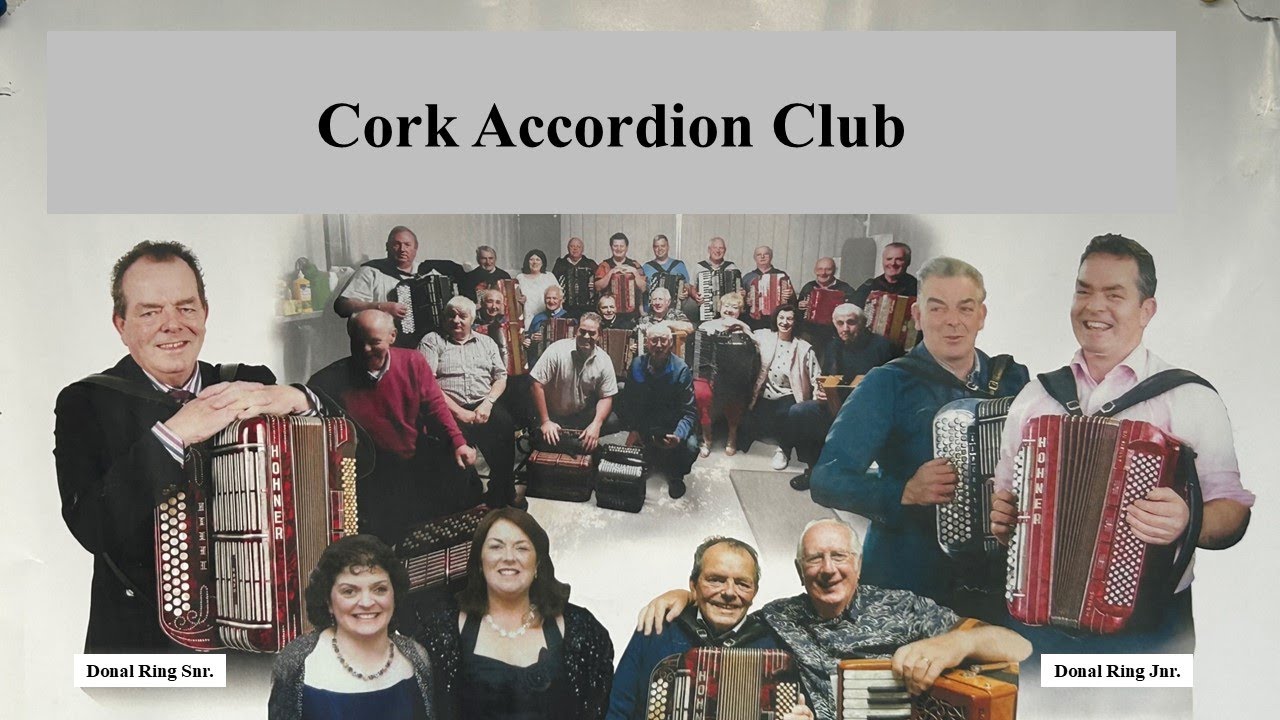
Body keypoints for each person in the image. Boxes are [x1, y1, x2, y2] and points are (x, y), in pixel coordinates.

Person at [989, 234, 1255, 657]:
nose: (1095, 307)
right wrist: (1004, 520)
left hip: (1151, 629)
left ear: (1146, 310)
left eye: (1114, 294)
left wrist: (1189, 522)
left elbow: (1234, 514)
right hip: (1038, 626)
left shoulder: (1188, 396)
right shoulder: (1035, 397)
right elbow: (1005, 503)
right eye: (1084, 290)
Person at [54, 240, 323, 653]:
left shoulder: (248, 380)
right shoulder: (84, 402)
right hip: (147, 648)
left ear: (205, 313)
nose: (172, 324)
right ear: (120, 325)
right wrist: (175, 435)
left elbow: (363, 459)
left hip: (263, 637)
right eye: (149, 312)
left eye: (185, 307)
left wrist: (302, 400)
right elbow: (90, 527)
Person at [809, 258, 1029, 622]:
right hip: (908, 578)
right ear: (917, 314)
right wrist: (903, 491)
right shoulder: (887, 383)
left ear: (982, 315)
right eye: (937, 307)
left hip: (995, 581)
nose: (952, 320)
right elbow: (826, 480)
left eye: (965, 308)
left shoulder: (1011, 379)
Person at [636, 520, 1031, 720]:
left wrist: (953, 643)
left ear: (858, 565)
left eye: (839, 557)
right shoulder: (776, 618)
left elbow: (1018, 646)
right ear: (799, 569)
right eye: (815, 559)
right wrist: (685, 596)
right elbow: (726, 607)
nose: (828, 570)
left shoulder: (906, 608)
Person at [415, 508, 614, 720]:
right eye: (496, 547)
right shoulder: (442, 632)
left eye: (522, 548)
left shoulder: (582, 630)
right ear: (480, 562)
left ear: (538, 563)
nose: (509, 557)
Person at [309, 310, 478, 543]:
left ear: (392, 336)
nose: (366, 349)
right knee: (388, 532)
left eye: (374, 342)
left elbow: (436, 406)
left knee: (465, 483)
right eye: (358, 342)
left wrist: (458, 443)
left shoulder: (413, 361)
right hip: (371, 472)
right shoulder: (328, 380)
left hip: (412, 456)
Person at [607, 537, 784, 720]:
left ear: (754, 592)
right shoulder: (657, 629)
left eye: (742, 584)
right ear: (693, 585)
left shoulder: (774, 650)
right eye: (716, 580)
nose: (729, 592)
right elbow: (617, 709)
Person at [269, 535, 436, 720]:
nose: (366, 602)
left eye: (379, 589)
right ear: (328, 601)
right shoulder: (297, 662)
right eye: (349, 591)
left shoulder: (417, 657)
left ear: (394, 595)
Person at [783, 304, 895, 493]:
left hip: (871, 411)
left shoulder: (882, 345)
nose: (845, 328)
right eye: (840, 323)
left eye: (851, 323)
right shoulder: (833, 345)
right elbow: (828, 379)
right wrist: (822, 392)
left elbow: (893, 386)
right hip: (838, 407)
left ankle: (854, 478)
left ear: (863, 323)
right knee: (800, 411)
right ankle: (813, 470)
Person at [420, 297, 519, 509]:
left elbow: (501, 377)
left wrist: (488, 403)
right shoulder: (432, 340)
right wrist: (458, 412)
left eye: (462, 316)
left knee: (504, 425)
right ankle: (467, 496)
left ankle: (501, 491)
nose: (456, 320)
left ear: (472, 319)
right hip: (447, 407)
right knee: (452, 464)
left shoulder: (487, 342)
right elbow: (428, 383)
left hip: (483, 404)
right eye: (451, 315)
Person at [615, 323, 700, 499]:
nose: (659, 345)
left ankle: (676, 475)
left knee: (691, 447)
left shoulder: (681, 370)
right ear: (647, 343)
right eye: (654, 340)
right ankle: (652, 458)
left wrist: (678, 434)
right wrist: (634, 429)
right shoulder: (637, 364)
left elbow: (689, 412)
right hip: (647, 424)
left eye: (663, 340)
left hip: (672, 425)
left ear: (670, 343)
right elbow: (629, 402)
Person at [529, 312, 621, 453]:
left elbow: (606, 397)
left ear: (599, 335)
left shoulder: (604, 360)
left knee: (612, 420)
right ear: (576, 330)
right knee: (541, 438)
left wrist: (596, 424)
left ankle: (576, 440)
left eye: (591, 333)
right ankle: (577, 443)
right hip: (553, 414)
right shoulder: (556, 350)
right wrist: (546, 421)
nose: (586, 337)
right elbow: (536, 384)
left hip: (581, 415)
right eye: (582, 331)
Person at [746, 305, 822, 473]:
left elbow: (817, 377)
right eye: (781, 318)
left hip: (788, 395)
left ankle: (784, 450)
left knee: (787, 415)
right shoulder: (765, 336)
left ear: (795, 322)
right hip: (764, 393)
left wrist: (817, 401)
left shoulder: (804, 348)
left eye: (789, 318)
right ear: (776, 319)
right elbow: (745, 333)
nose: (784, 322)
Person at [690, 292, 757, 457]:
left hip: (732, 376)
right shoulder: (707, 325)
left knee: (737, 393)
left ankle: (732, 435)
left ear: (740, 311)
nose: (729, 310)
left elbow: (756, 346)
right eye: (726, 306)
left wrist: (743, 327)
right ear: (720, 307)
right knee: (700, 393)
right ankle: (707, 436)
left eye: (734, 307)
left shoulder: (743, 328)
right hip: (707, 374)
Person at [796, 257, 858, 356]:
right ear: (815, 270)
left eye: (828, 269)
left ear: (834, 271)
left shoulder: (845, 289)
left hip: (834, 335)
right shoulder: (809, 287)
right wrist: (799, 306)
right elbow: (797, 314)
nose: (823, 273)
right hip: (810, 333)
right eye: (820, 269)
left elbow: (855, 313)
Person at [593, 232, 647, 320]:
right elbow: (598, 287)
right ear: (611, 247)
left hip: (632, 313)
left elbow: (643, 288)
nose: (618, 249)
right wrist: (611, 272)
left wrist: (634, 272)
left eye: (621, 246)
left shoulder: (635, 265)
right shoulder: (604, 265)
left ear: (626, 247)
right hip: (609, 313)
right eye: (615, 246)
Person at [850, 242, 917, 309]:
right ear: (883, 261)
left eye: (899, 259)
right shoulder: (869, 286)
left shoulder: (916, 288)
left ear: (908, 262)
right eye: (889, 259)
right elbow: (850, 310)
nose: (893, 263)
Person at [685, 236, 739, 319]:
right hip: (707, 311)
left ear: (725, 250)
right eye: (715, 248)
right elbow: (692, 287)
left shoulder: (732, 267)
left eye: (721, 248)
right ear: (709, 249)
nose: (718, 251)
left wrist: (741, 292)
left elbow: (738, 290)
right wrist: (695, 295)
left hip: (728, 313)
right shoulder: (699, 267)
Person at [741, 245, 794, 329]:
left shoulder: (782, 276)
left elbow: (792, 302)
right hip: (754, 321)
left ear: (771, 256)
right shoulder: (748, 277)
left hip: (776, 320)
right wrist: (745, 301)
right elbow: (741, 305)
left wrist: (790, 295)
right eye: (759, 255)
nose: (762, 257)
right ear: (755, 258)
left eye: (766, 254)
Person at [552, 236, 599, 319]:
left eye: (578, 247)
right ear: (568, 248)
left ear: (582, 249)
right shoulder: (560, 263)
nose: (575, 249)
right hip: (565, 307)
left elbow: (599, 282)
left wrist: (594, 285)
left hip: (587, 307)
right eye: (572, 246)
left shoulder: (590, 264)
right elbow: (553, 283)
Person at [641, 233, 691, 311]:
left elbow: (687, 285)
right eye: (656, 246)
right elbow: (642, 291)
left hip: (675, 310)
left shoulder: (679, 265)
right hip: (653, 311)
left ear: (668, 247)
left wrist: (686, 291)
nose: (659, 249)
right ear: (653, 248)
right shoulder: (646, 267)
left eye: (663, 246)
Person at [524, 285, 571, 366]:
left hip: (562, 362)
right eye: (548, 298)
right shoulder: (537, 318)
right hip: (540, 361)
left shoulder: (569, 317)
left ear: (561, 300)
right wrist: (531, 338)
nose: (551, 301)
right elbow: (527, 337)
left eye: (554, 298)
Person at [515, 249, 561, 331]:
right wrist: (520, 300)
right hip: (527, 319)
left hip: (546, 320)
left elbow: (559, 297)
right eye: (531, 259)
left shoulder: (549, 276)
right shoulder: (520, 278)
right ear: (527, 262)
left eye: (538, 260)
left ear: (542, 262)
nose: (534, 262)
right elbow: (514, 299)